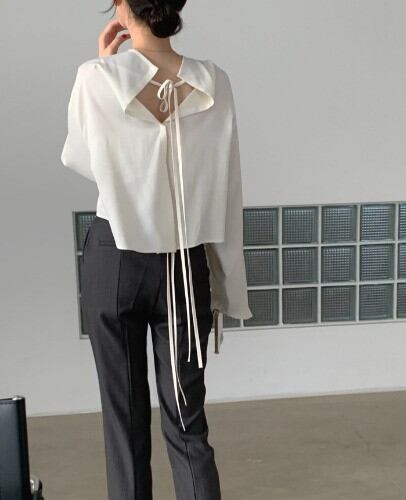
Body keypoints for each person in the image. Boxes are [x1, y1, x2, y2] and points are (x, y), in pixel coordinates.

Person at [60, 1, 253, 499]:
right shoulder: (214, 81)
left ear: (125, 8)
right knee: (188, 420)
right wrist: (227, 280)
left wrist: (107, 67)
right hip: (184, 263)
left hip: (116, 256)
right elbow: (227, 183)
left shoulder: (96, 77)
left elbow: (82, 158)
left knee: (123, 419)